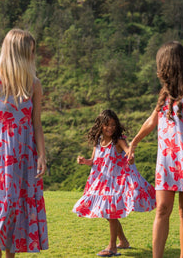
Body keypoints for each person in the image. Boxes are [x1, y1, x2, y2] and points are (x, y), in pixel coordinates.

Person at [127, 41, 183, 258]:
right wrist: (134, 141)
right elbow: (153, 119)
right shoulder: (167, 90)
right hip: (165, 162)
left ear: (169, 63)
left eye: (161, 63)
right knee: (162, 209)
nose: (159, 68)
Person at [0, 29, 49, 258]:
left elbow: (36, 124)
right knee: (2, 206)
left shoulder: (34, 84)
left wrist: (42, 155)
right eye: (29, 52)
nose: (32, 57)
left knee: (17, 208)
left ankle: (9, 256)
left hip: (25, 155)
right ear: (17, 53)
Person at [73, 109, 156, 257]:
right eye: (107, 125)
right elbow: (94, 161)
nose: (110, 128)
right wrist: (84, 161)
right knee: (108, 214)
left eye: (113, 124)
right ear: (100, 126)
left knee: (111, 214)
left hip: (115, 183)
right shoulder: (98, 141)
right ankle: (123, 241)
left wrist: (131, 157)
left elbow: (128, 150)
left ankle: (112, 247)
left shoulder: (118, 140)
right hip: (101, 182)